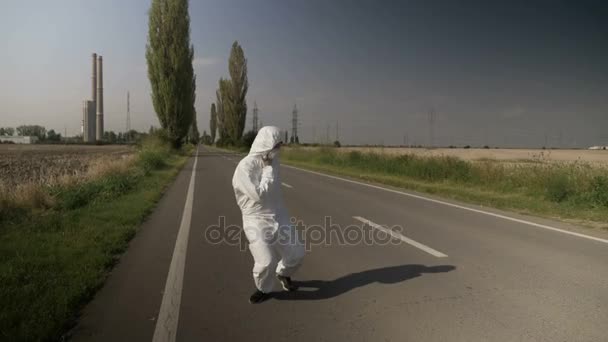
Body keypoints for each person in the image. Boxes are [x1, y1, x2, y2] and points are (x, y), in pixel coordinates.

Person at [232, 126, 305, 304]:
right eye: (276, 145)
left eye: (279, 145)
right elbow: (259, 195)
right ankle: (263, 289)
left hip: (278, 215)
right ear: (265, 144)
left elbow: (273, 192)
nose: (278, 149)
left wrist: (269, 166)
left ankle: (283, 274)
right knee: (266, 261)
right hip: (255, 218)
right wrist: (267, 169)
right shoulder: (245, 167)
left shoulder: (273, 160)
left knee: (297, 254)